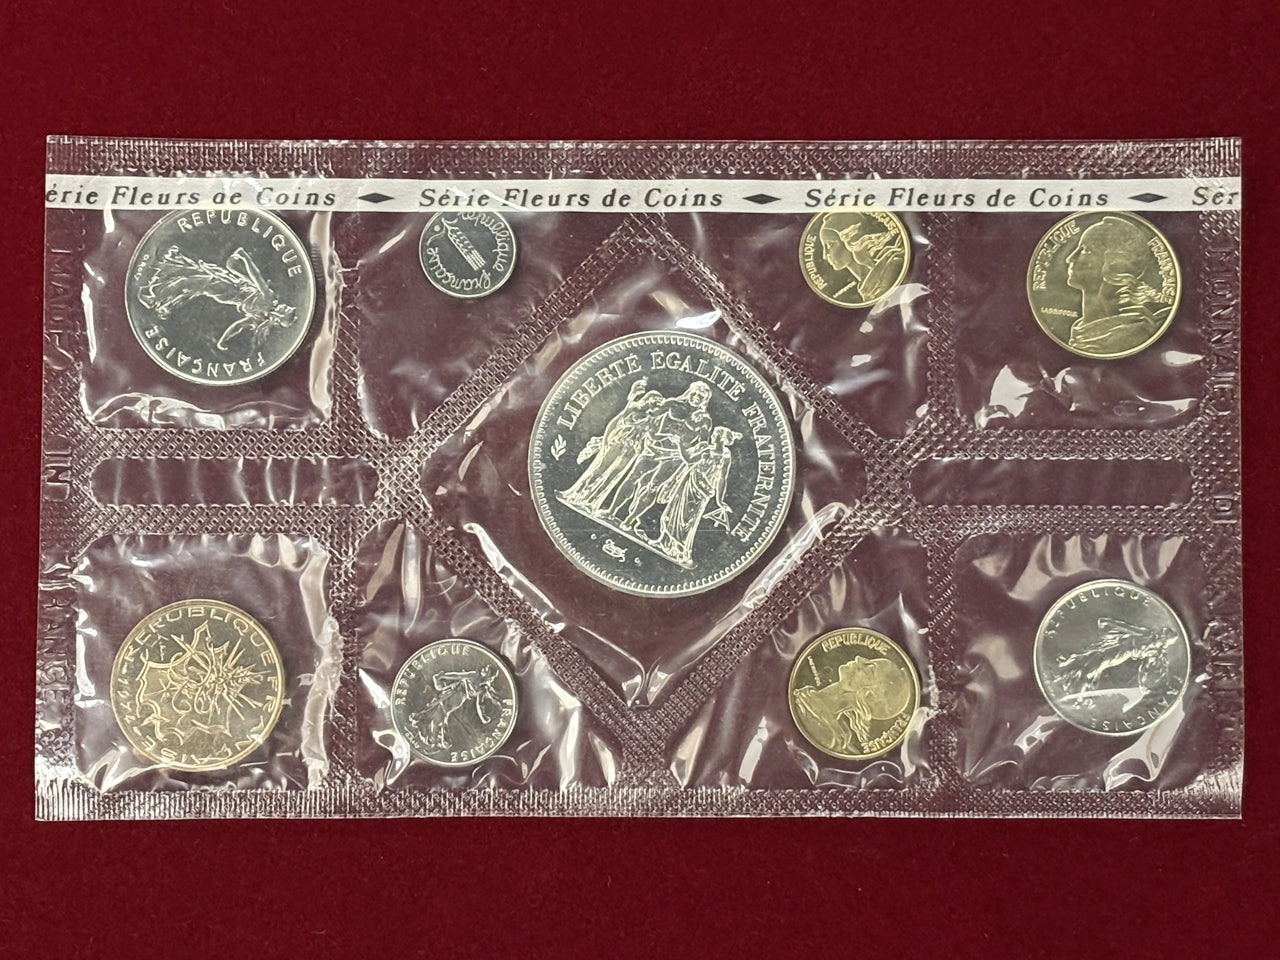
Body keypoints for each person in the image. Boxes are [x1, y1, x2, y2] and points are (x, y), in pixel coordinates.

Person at [1063, 216, 1171, 353]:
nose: (1069, 258)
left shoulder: (1130, 332)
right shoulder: (1081, 329)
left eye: (1086, 250)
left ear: (1114, 264)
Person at [818, 213, 906, 302]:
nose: (825, 255)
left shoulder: (891, 266)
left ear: (851, 241)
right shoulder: (865, 288)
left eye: (830, 244)